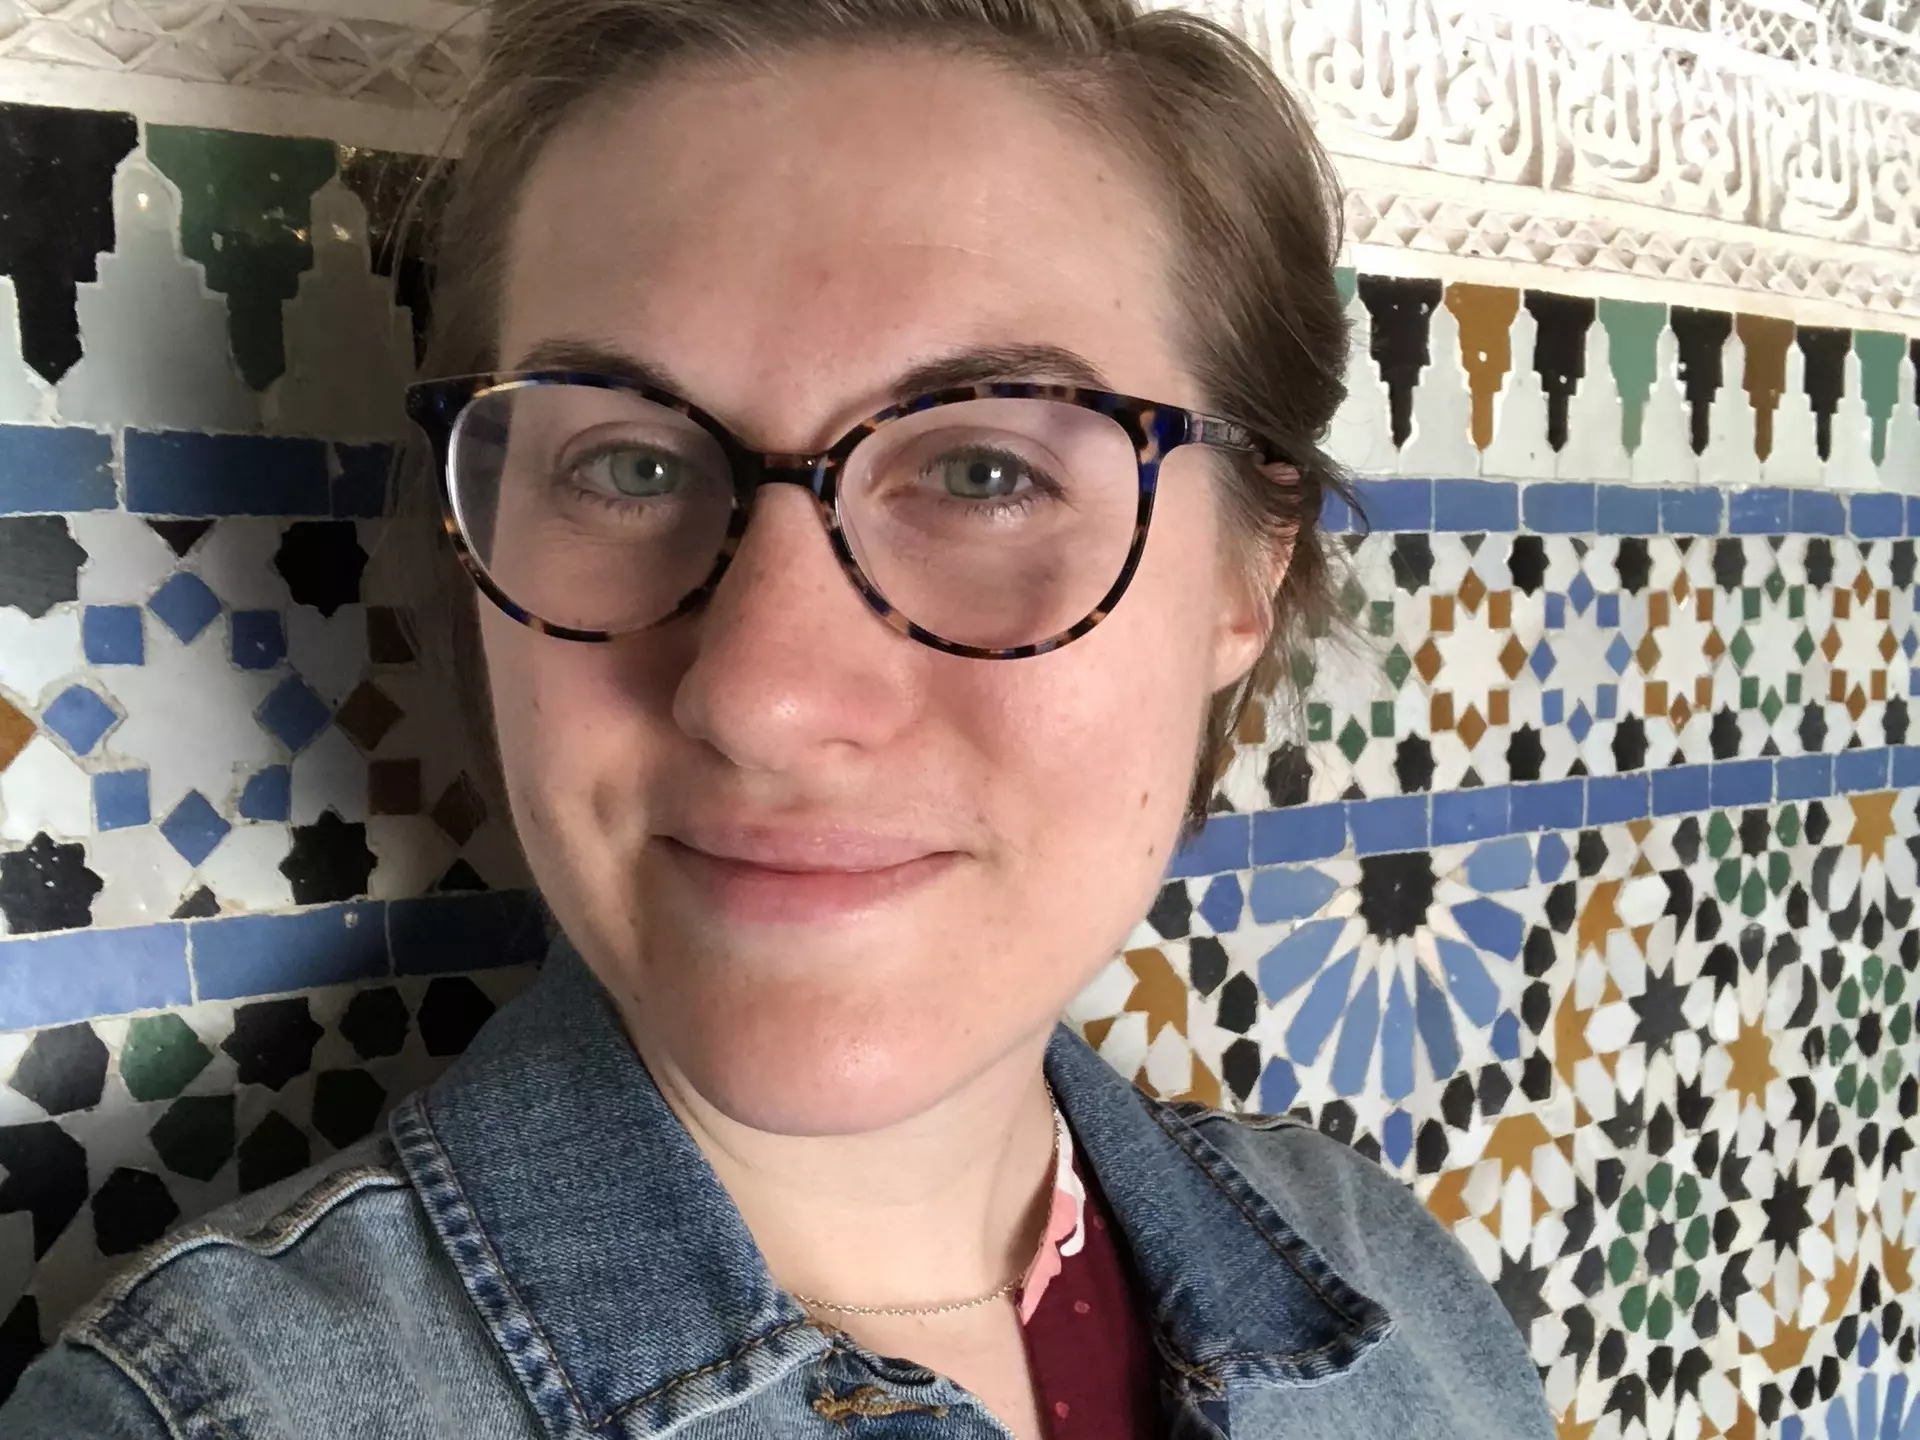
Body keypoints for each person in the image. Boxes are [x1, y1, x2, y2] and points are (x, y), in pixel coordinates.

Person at [4, 1, 1557, 1435]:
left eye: (985, 472)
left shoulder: (1401, 1294)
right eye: (631, 466)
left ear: (1252, 569)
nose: (759, 693)